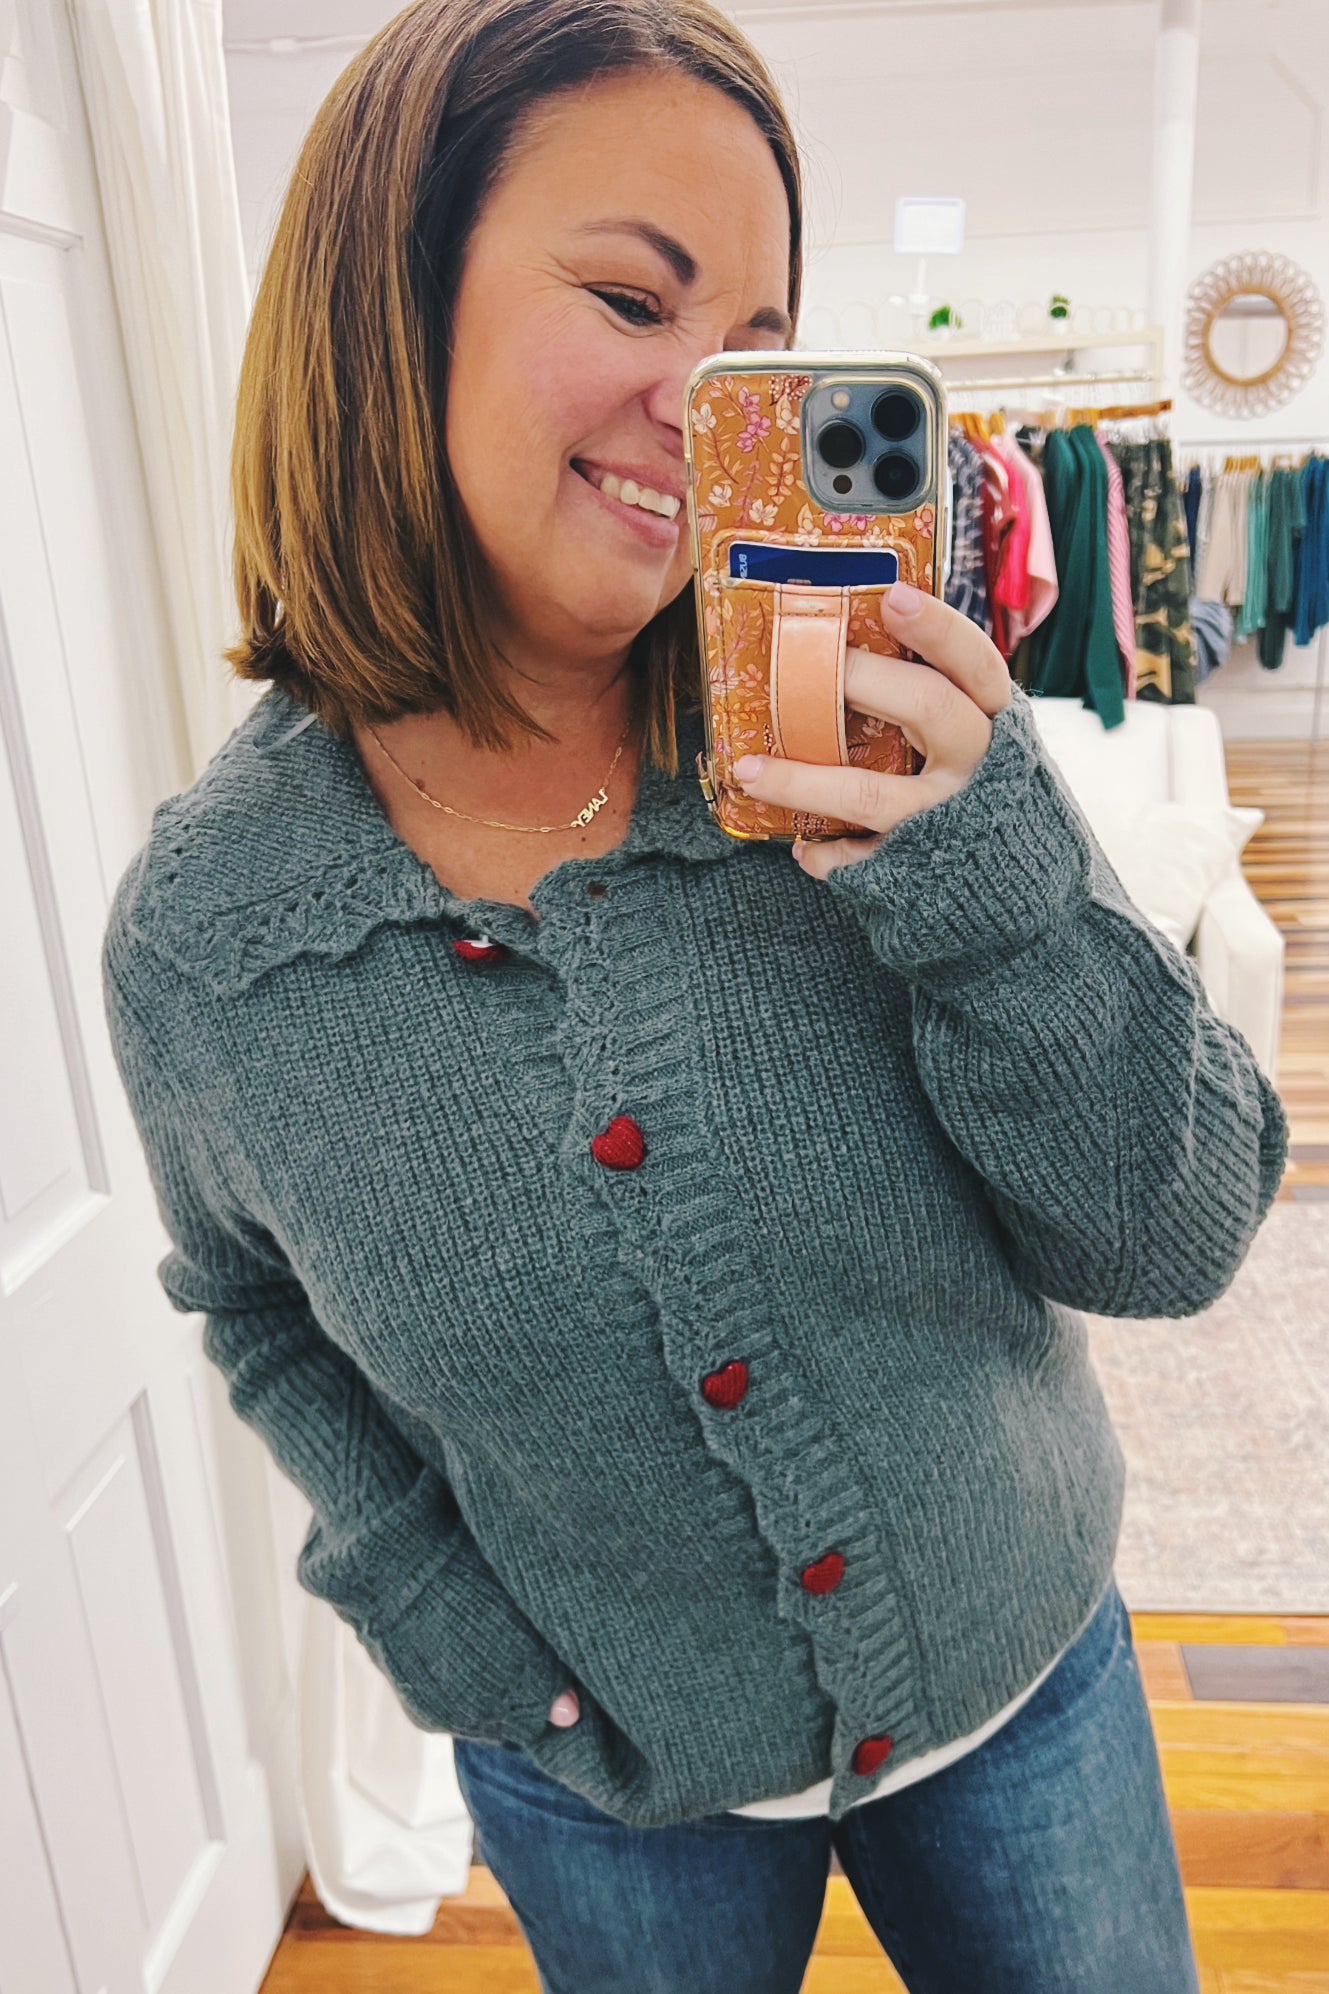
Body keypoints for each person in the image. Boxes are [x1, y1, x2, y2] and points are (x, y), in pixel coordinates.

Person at [101, 1, 1287, 1987]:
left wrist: (987, 870)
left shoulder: (868, 748)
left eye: (753, 341)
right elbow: (251, 1304)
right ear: (388, 308)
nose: (701, 400)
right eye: (631, 301)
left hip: (1019, 1686)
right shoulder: (211, 936)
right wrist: (450, 1632)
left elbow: (1173, 1236)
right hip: (613, 1779)